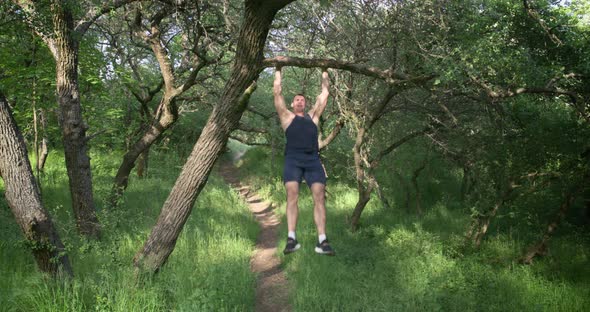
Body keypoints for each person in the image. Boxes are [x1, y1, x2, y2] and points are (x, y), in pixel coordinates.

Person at [273, 66, 335, 256]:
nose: (300, 101)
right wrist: (278, 69)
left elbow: (324, 94)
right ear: (292, 104)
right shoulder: (286, 117)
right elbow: (277, 92)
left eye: (303, 99)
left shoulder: (313, 117)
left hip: (312, 161)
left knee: (319, 196)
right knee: (292, 195)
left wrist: (324, 70)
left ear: (305, 104)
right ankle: (291, 238)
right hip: (293, 160)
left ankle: (322, 241)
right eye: (297, 99)